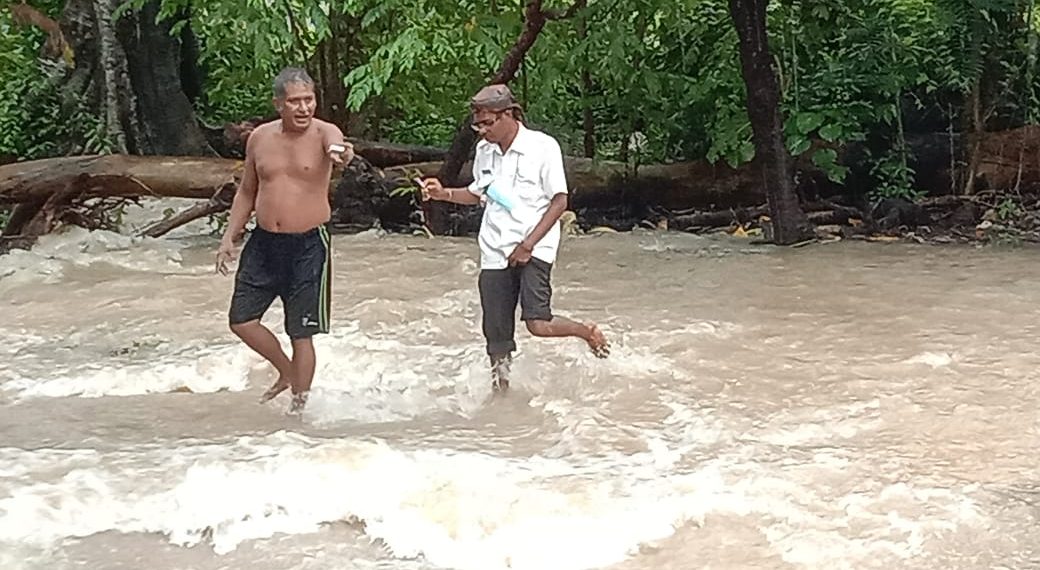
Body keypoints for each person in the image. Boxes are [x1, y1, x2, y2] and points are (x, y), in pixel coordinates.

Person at [421, 84, 609, 392]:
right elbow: (478, 194)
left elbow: (559, 201)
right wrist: (443, 194)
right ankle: (501, 390)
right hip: (495, 247)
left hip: (535, 245)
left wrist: (528, 245)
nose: (482, 131)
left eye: (488, 123)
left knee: (538, 323)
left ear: (508, 114)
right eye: (477, 124)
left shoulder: (542, 147)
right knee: (496, 334)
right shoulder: (484, 151)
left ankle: (585, 331)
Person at [215, 67, 353, 414]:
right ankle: (286, 371)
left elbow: (339, 145)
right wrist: (229, 237)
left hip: (309, 244)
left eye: (309, 100)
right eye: (295, 102)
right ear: (279, 104)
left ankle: (299, 411)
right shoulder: (260, 138)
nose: (304, 108)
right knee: (241, 320)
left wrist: (341, 153)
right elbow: (247, 191)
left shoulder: (324, 132)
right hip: (264, 243)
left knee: (300, 332)